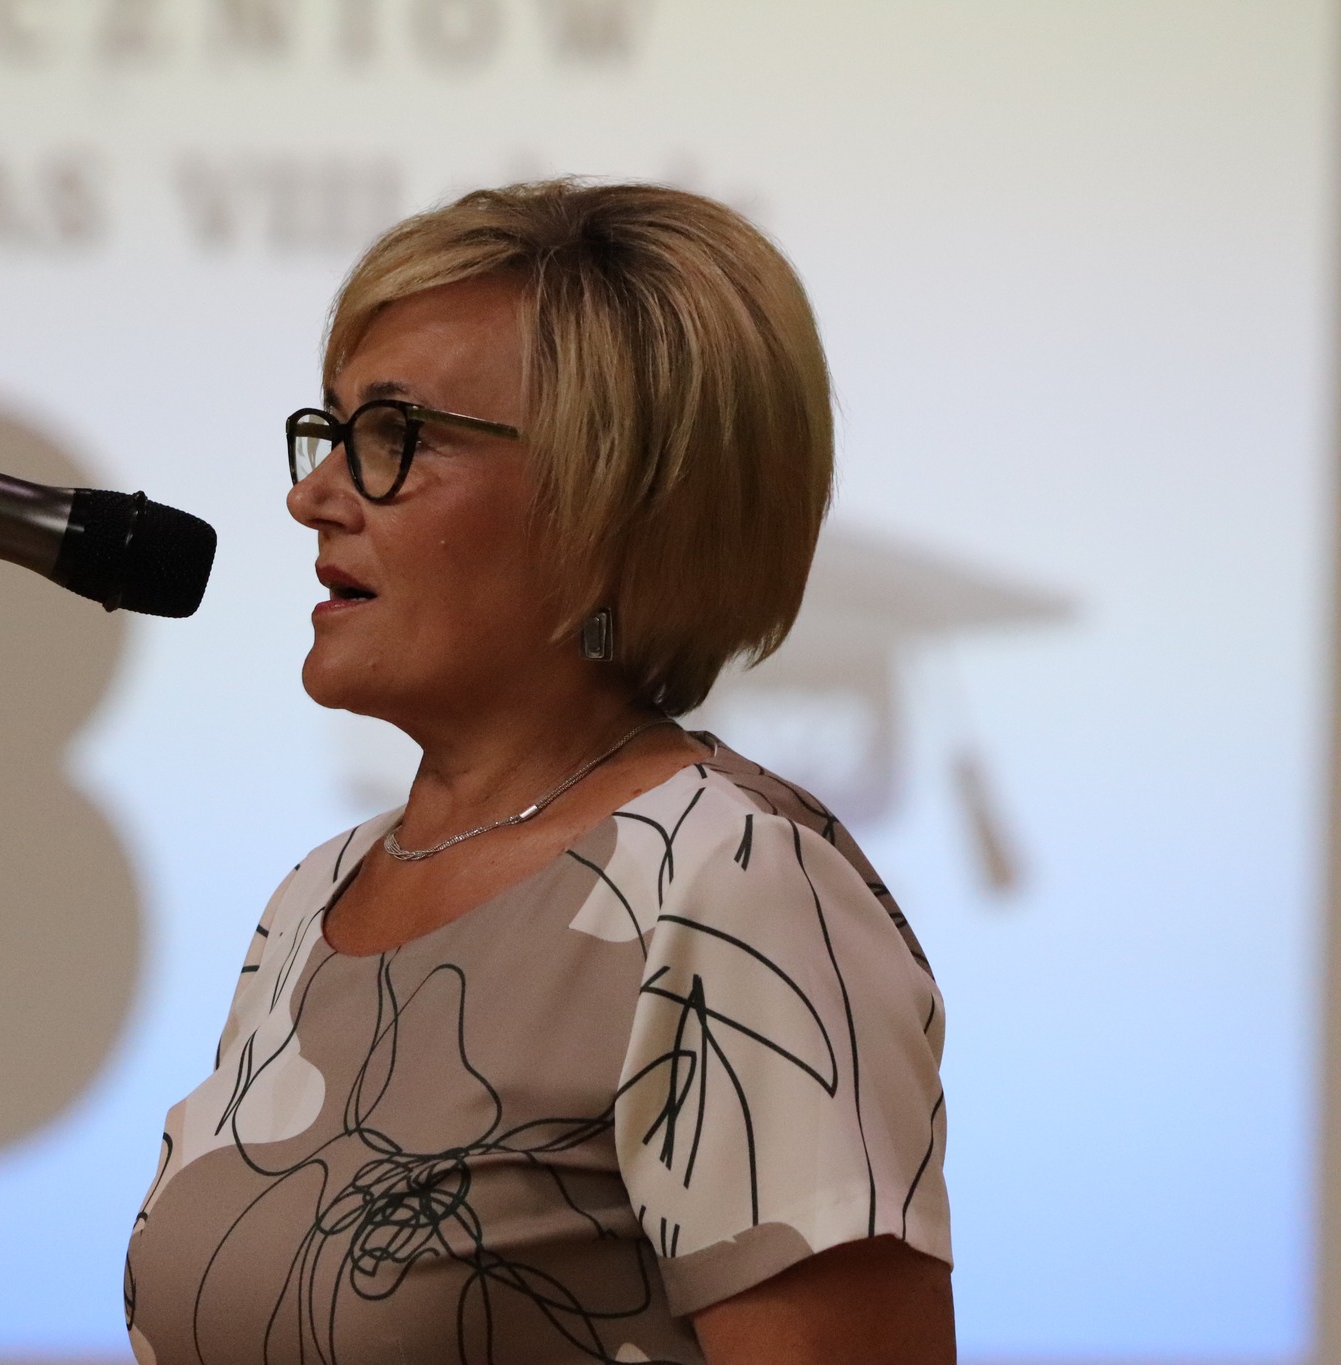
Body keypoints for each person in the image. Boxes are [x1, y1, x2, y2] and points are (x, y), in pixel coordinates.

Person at [123, 180, 953, 1364]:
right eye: (332, 431)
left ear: (615, 498)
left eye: (394, 436)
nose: (311, 497)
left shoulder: (729, 885)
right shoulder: (315, 898)